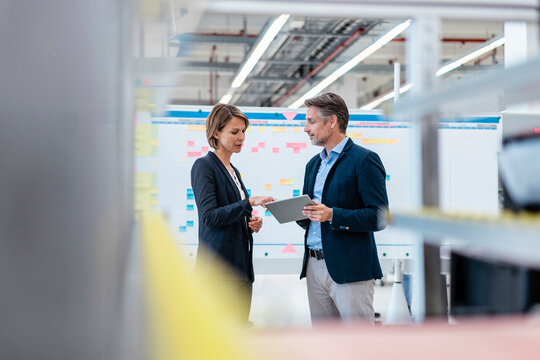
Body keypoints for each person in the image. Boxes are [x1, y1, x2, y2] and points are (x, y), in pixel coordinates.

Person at [297, 92, 389, 324]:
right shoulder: (313, 164)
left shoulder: (364, 160)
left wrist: (332, 215)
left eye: (311, 121)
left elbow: (379, 217)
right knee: (326, 345)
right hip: (314, 266)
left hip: (350, 269)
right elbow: (312, 215)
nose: (305, 128)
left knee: (359, 345)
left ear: (332, 121)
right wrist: (297, 212)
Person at [191, 103, 275, 324]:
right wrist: (248, 203)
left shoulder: (233, 170)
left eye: (243, 132)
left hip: (241, 269)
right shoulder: (204, 166)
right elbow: (210, 217)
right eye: (234, 132)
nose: (241, 137)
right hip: (219, 273)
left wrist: (250, 222)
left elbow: (231, 214)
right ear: (216, 132)